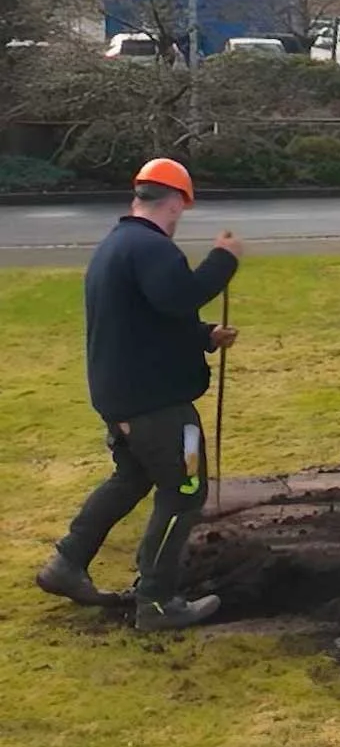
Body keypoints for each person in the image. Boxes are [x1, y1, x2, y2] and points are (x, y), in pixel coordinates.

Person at [37, 158, 241, 631]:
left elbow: (151, 321)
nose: (179, 218)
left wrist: (204, 336)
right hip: (161, 410)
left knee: (130, 478)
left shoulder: (118, 245)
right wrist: (224, 258)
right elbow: (180, 296)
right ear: (174, 202)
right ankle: (156, 601)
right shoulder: (152, 249)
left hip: (123, 400)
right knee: (186, 490)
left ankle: (66, 564)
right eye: (181, 210)